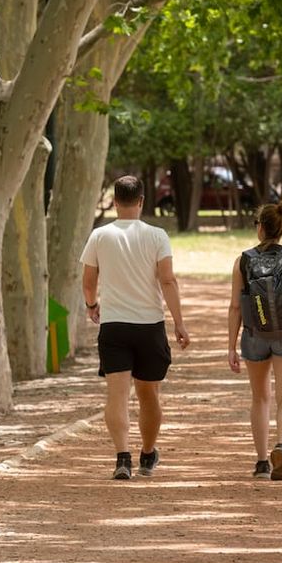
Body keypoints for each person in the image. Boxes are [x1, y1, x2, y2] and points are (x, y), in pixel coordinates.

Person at [80, 175, 190, 480]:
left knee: (116, 396)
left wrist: (92, 306)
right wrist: (179, 323)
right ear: (141, 201)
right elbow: (167, 280)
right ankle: (147, 454)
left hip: (114, 326)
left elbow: (89, 282)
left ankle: (122, 458)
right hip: (149, 325)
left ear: (115, 202)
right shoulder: (157, 236)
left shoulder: (100, 236)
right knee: (148, 395)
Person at [227, 201, 282, 481]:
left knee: (260, 398)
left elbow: (236, 307)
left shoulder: (243, 260)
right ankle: (281, 446)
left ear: (260, 227)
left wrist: (231, 346)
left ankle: (262, 462)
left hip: (255, 335)